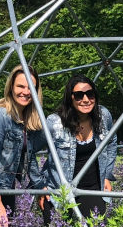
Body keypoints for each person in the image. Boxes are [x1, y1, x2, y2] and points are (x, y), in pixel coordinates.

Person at [0, 66, 46, 227]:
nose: (26, 92)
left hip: (5, 187)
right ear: (11, 88)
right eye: (21, 86)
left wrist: (40, 186)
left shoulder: (27, 121)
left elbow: (29, 158)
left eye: (31, 88)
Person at [42, 75, 116, 219]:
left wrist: (107, 175)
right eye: (79, 95)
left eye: (90, 94)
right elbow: (31, 149)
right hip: (60, 192)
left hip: (93, 190)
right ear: (70, 98)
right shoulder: (55, 122)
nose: (86, 100)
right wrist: (40, 185)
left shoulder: (103, 116)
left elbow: (112, 141)